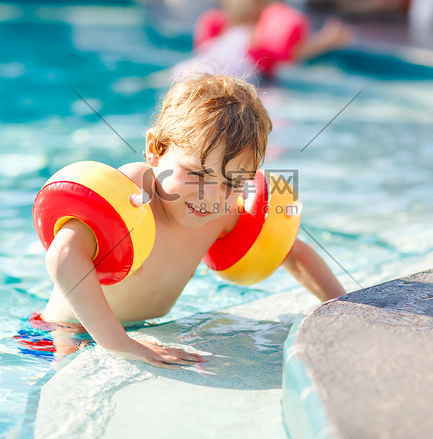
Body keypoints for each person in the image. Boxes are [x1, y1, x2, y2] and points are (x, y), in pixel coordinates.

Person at [40, 73, 347, 368]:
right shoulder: (132, 197)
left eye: (232, 183)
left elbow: (290, 252)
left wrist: (344, 309)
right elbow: (64, 257)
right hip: (64, 332)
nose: (210, 196)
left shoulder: (224, 213)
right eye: (197, 174)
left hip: (144, 331)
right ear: (155, 150)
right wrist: (117, 341)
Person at [171, 0, 352, 82]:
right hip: (219, 80)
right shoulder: (259, 35)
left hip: (185, 71)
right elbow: (292, 54)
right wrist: (328, 40)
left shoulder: (226, 30)